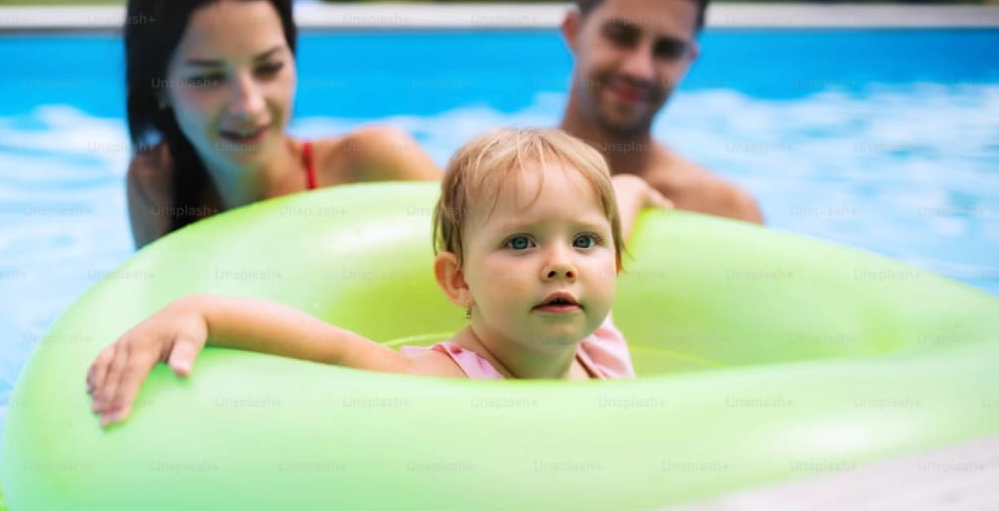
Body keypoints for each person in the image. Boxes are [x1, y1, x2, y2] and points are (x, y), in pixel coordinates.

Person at [87, 128, 666, 426]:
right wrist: (202, 312)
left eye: (585, 241)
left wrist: (639, 189)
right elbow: (335, 350)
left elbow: (620, 200)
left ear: (612, 261)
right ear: (457, 281)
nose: (562, 262)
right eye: (520, 242)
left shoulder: (599, 347)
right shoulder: (448, 380)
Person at [124, 0, 439, 248]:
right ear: (158, 87)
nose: (249, 105)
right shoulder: (156, 183)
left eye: (269, 68)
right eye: (208, 78)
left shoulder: (375, 165)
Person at [559, 0, 764, 224]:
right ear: (573, 30)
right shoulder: (487, 186)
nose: (640, 70)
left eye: (668, 50)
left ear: (688, 61)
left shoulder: (725, 212)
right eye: (621, 37)